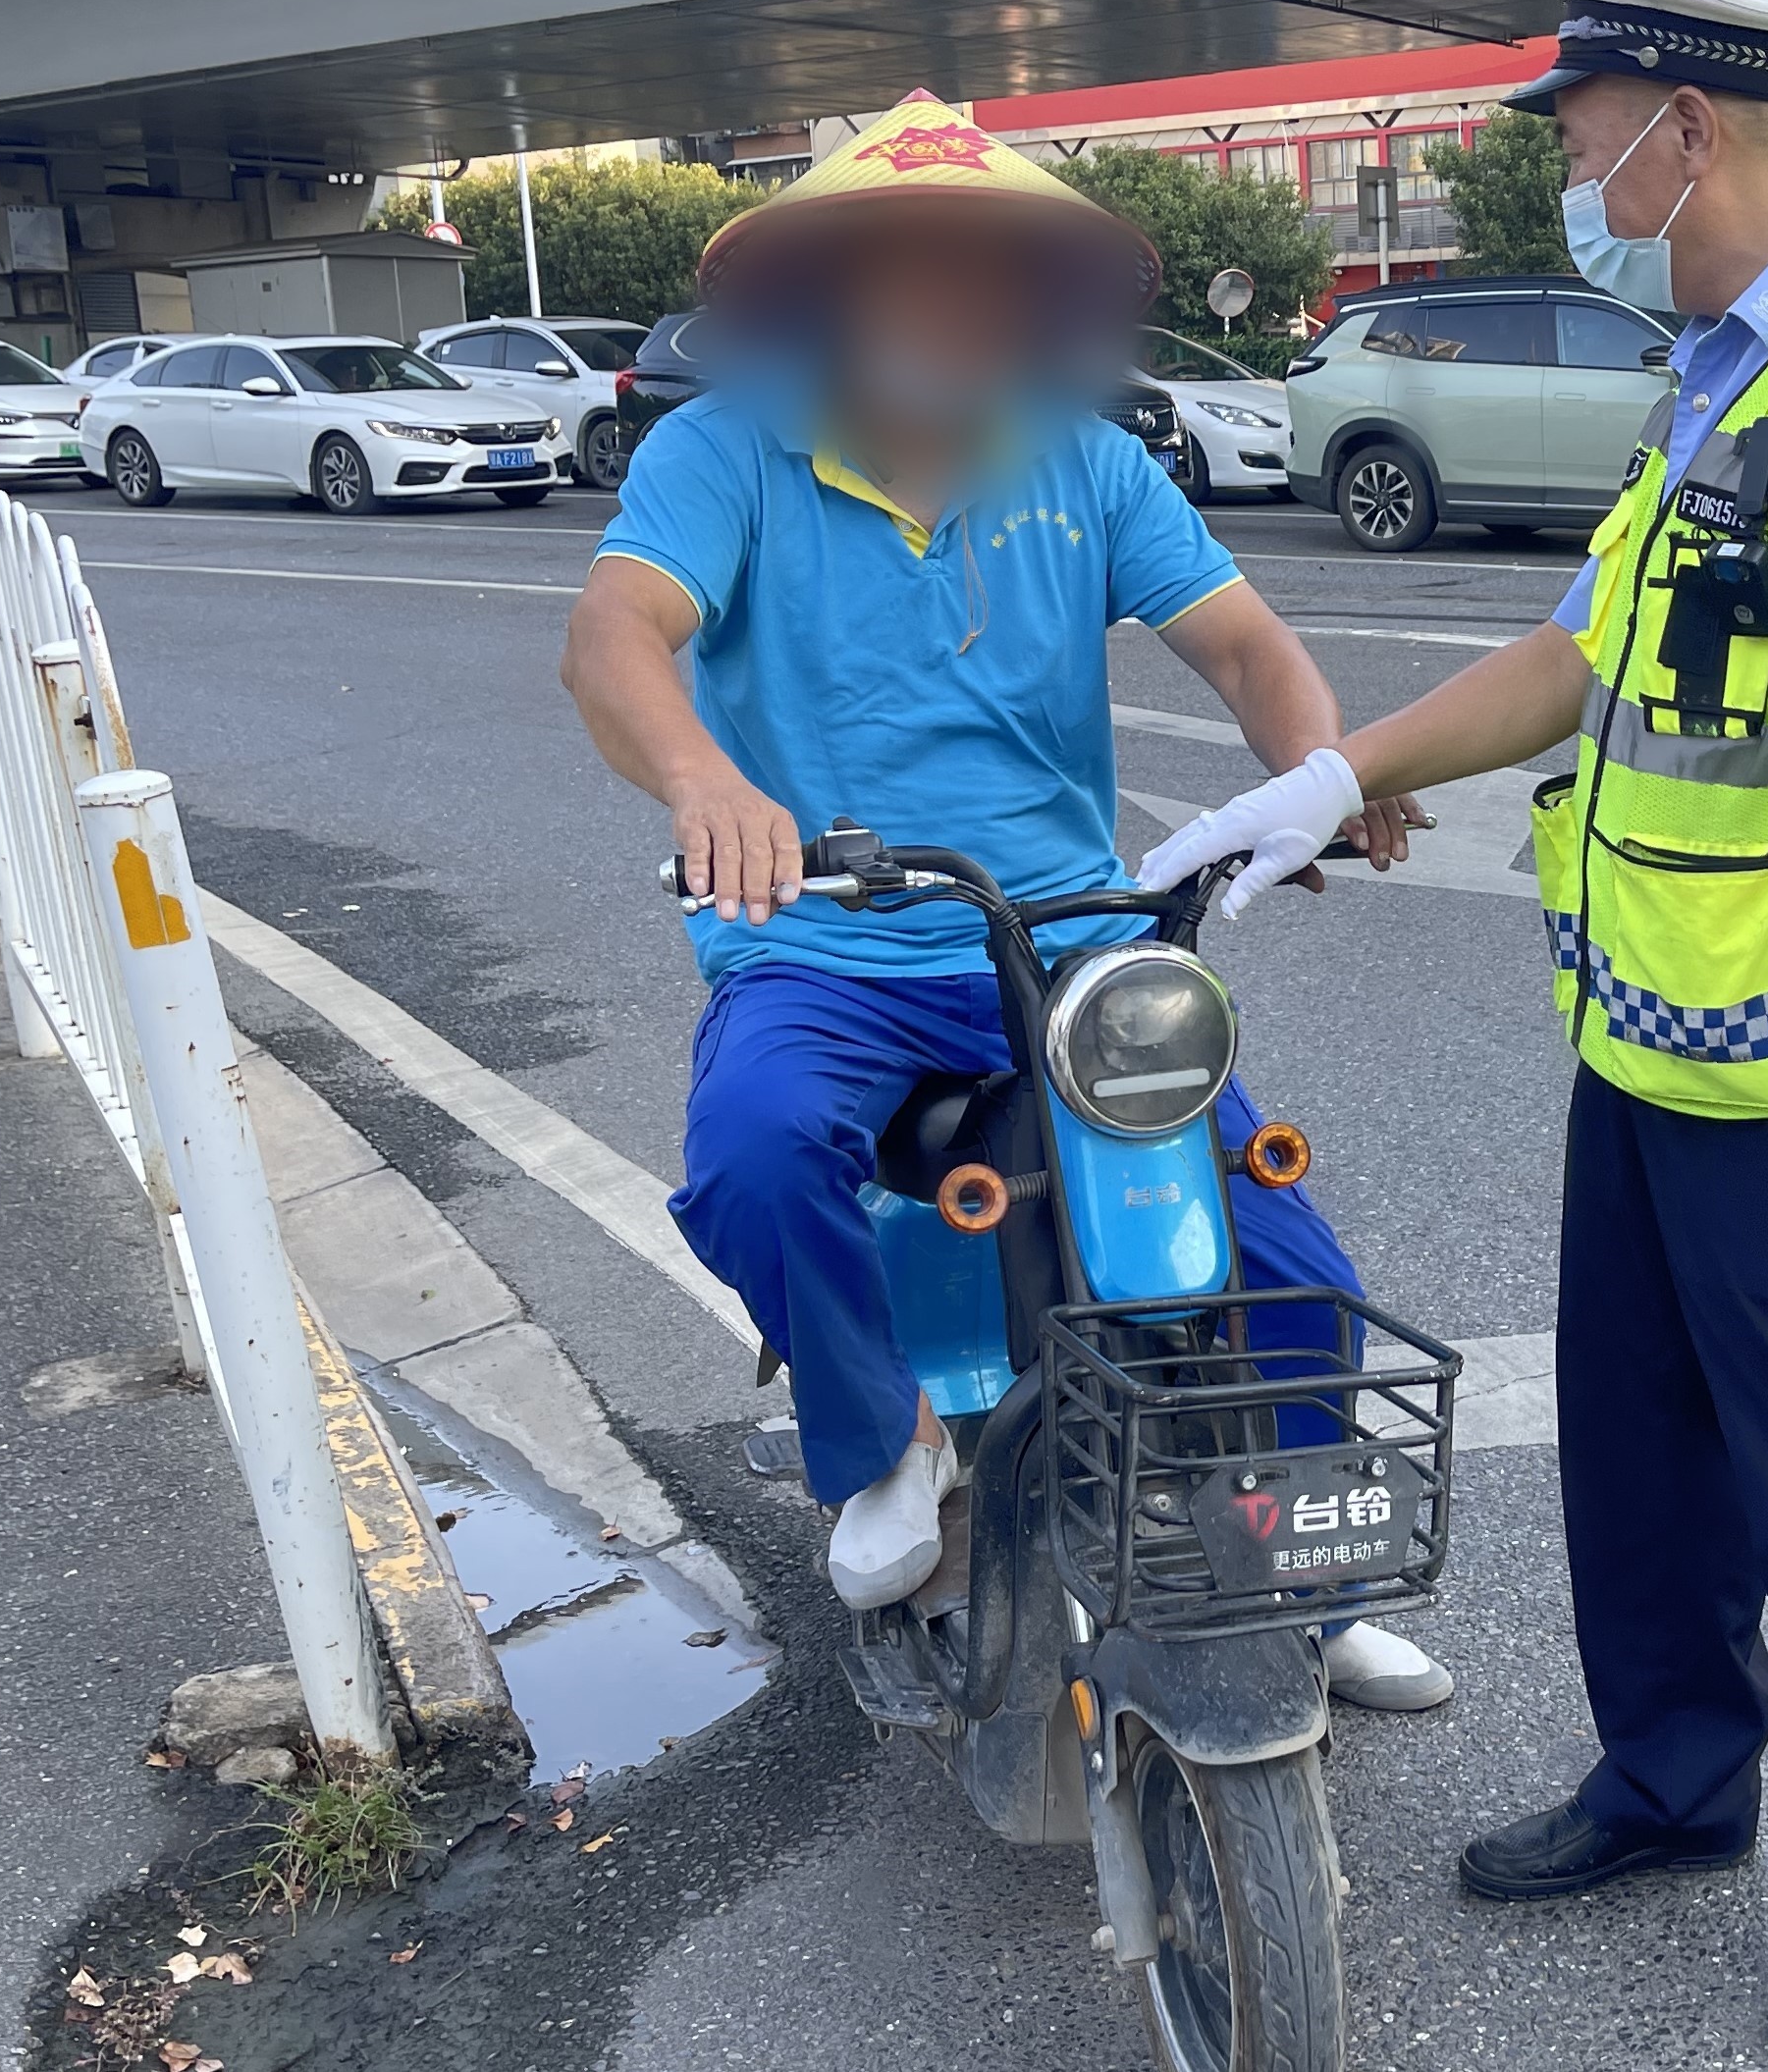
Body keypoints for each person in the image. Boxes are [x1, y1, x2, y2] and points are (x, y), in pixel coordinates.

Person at [1142, 0, 1768, 2061]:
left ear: (1679, 127)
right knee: (1641, 1454)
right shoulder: (1726, 369)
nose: (1573, 179)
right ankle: (1671, 1784)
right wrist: (1331, 777)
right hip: (1653, 1036)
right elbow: (1574, 658)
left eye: (1580, 137)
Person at [557, 90, 1450, 1713]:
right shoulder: (723, 454)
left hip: (1068, 942)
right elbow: (615, 636)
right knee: (757, 1151)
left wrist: (1319, 768)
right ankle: (884, 1443)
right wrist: (706, 783)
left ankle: (1291, 1585)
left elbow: (1247, 645)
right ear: (831, 286)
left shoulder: (1089, 466)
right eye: (909, 271)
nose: (950, 307)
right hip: (828, 943)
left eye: (986, 276)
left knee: (1289, 1268)